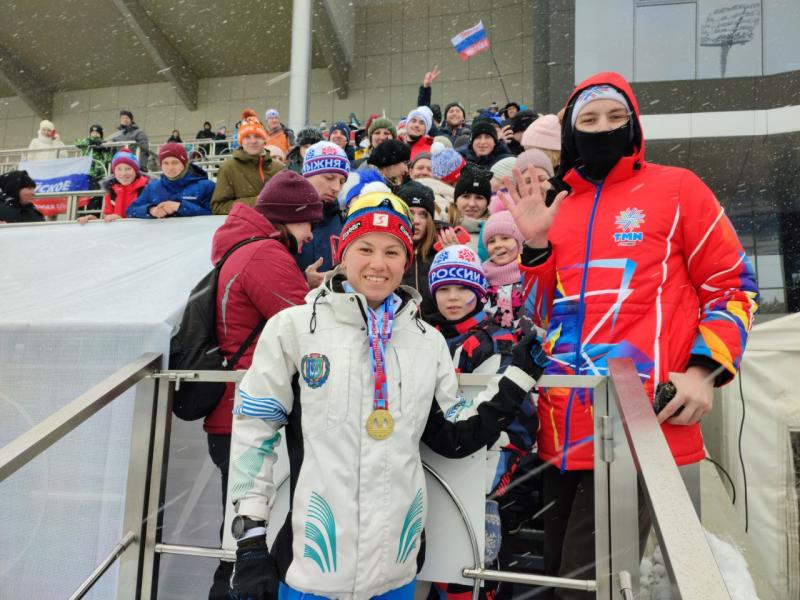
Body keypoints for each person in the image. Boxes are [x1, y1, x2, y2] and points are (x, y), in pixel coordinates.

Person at [499, 71, 759, 598]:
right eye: (588, 120)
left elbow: (733, 287)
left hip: (640, 426)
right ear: (571, 135)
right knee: (552, 584)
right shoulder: (561, 206)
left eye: (616, 118)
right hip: (562, 429)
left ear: (635, 125)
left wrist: (704, 370)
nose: (603, 129)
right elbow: (548, 311)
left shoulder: (678, 188)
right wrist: (536, 251)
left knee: (588, 589)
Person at [226, 187, 546, 600]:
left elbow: (454, 436)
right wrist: (250, 540)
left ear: (406, 261)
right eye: (365, 249)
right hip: (311, 571)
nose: (378, 264)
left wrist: (518, 377)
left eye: (392, 252)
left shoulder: (426, 339)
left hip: (396, 569)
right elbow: (256, 431)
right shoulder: (294, 328)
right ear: (344, 252)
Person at [205, 169, 320, 600]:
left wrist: (307, 286)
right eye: (308, 221)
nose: (311, 233)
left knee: (240, 535)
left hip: (234, 410)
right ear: (287, 218)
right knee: (248, 543)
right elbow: (307, 331)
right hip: (254, 412)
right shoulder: (266, 256)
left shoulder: (246, 248)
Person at [295, 140, 351, 276]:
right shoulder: (284, 219)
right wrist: (304, 280)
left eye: (342, 181)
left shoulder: (343, 221)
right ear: (308, 175)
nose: (336, 188)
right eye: (329, 177)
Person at [211, 109, 282, 215]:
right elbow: (219, 207)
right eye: (247, 137)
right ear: (241, 142)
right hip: (245, 228)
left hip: (277, 227)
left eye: (257, 136)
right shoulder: (229, 168)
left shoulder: (278, 169)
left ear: (264, 140)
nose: (253, 141)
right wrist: (255, 202)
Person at [126, 142, 213, 218]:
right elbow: (131, 210)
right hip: (162, 236)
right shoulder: (153, 187)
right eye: (165, 163)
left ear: (184, 163)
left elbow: (214, 214)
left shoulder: (205, 186)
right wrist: (151, 210)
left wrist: (180, 207)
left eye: (175, 163)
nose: (170, 168)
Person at [397, 180, 438, 318]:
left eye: (423, 214)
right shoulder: (385, 253)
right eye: (410, 212)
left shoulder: (440, 254)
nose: (416, 221)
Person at [481, 211, 526, 332]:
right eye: (491, 241)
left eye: (505, 238)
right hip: (495, 347)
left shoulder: (530, 275)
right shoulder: (482, 278)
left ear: (520, 242)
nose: (497, 245)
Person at [77, 149, 149, 224]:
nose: (123, 174)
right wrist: (94, 220)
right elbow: (107, 218)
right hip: (118, 234)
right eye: (119, 169)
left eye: (128, 169)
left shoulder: (146, 189)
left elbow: (150, 217)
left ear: (136, 171)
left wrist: (121, 219)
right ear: (114, 172)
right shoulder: (111, 191)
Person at [447, 164, 492, 247]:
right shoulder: (439, 229)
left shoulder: (496, 233)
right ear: (456, 200)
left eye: (479, 198)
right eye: (466, 196)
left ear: (487, 203)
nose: (472, 204)